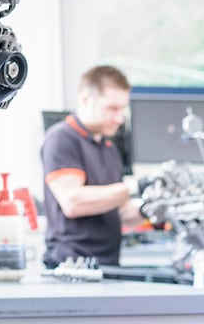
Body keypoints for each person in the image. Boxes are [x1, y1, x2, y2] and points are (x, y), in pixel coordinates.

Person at [40, 64, 143, 268]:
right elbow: (73, 202)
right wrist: (135, 187)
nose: (120, 118)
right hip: (72, 268)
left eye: (122, 109)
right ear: (86, 100)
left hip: (109, 266)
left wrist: (155, 206)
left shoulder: (109, 147)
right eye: (112, 108)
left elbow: (123, 213)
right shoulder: (61, 139)